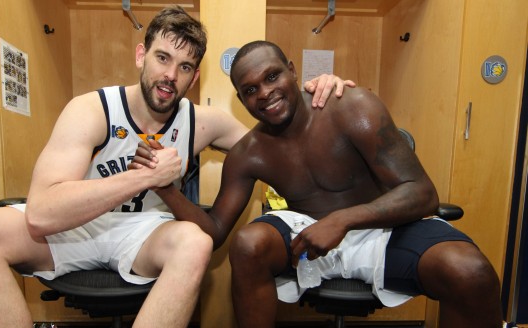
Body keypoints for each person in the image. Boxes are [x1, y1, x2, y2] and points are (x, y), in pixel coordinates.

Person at [0, 6, 354, 328]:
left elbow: (277, 129)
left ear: (194, 78)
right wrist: (142, 178)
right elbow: (42, 212)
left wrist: (319, 97)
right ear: (141, 55)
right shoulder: (91, 110)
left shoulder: (201, 122)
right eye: (162, 58)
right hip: (75, 225)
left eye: (185, 67)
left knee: (196, 243)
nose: (169, 76)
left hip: (143, 235)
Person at [137, 40, 503, 327]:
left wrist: (342, 220)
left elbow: (423, 193)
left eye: (271, 77)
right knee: (248, 244)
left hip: (383, 231)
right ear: (242, 100)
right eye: (250, 91)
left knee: (469, 271)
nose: (264, 93)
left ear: (292, 71)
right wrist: (166, 189)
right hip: (307, 238)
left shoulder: (352, 107)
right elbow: (215, 230)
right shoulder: (249, 153)